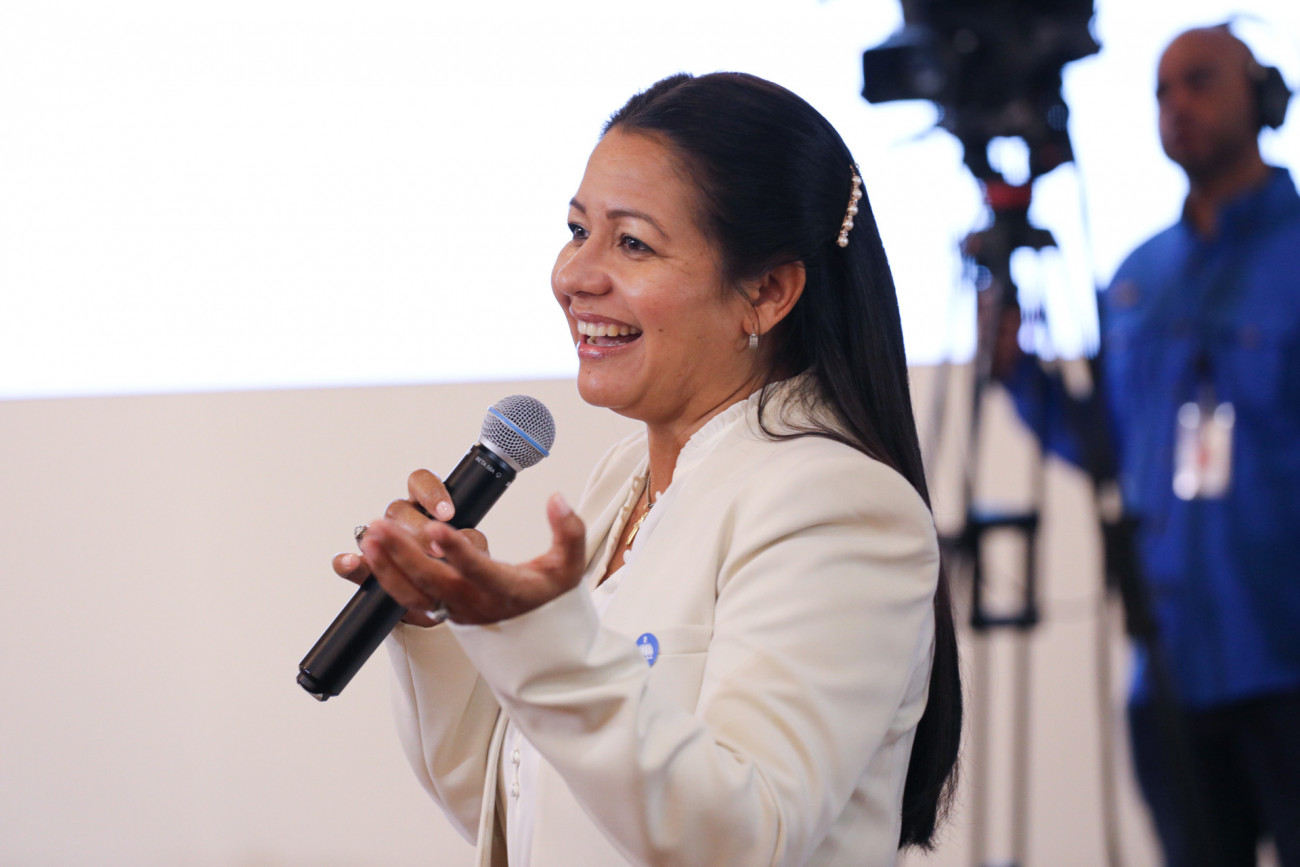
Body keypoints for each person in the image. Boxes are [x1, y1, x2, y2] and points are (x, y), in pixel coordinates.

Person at [333, 71, 962, 866]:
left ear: (767, 292)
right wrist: (436, 611)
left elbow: (743, 836)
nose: (574, 276)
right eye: (577, 230)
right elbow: (538, 815)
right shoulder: (625, 477)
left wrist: (538, 641)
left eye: (632, 242)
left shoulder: (836, 504)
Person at [1001, 25, 1300, 867]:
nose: (1177, 106)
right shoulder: (1138, 277)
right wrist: (1020, 376)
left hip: (1285, 655)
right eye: (1162, 92)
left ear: (1264, 96)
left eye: (1200, 82)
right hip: (1170, 669)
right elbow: (1110, 445)